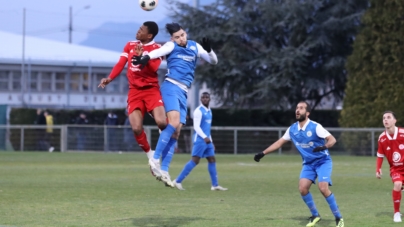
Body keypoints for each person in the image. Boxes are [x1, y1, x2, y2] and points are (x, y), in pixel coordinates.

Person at [132, 22, 218, 187]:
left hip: (184, 92)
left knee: (176, 132)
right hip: (171, 87)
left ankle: (164, 170)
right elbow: (159, 51)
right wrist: (146, 57)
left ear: (186, 33)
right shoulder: (172, 46)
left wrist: (209, 50)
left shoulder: (195, 46)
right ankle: (155, 159)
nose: (181, 39)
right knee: (174, 122)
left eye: (182, 35)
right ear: (173, 38)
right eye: (177, 37)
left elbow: (213, 61)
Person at [253, 101, 344, 227]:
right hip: (308, 164)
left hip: (323, 162)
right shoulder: (292, 129)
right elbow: (279, 143)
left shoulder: (315, 127)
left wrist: (325, 146)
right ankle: (315, 215)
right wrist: (263, 153)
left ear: (307, 113)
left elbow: (332, 139)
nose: (297, 110)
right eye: (297, 108)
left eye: (301, 108)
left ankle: (338, 218)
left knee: (323, 188)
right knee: (302, 189)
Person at [98, 21, 167, 161]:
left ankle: (164, 139)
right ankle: (150, 155)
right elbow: (120, 64)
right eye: (139, 28)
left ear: (149, 35)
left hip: (151, 90)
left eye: (141, 30)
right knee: (136, 128)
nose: (138, 31)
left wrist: (144, 59)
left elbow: (153, 68)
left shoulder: (157, 48)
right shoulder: (130, 45)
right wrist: (110, 78)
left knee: (162, 123)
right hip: (135, 91)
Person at [172, 92, 227, 191]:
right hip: (200, 140)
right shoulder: (198, 111)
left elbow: (207, 128)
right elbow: (196, 127)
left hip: (207, 140)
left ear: (209, 99)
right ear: (201, 99)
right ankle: (177, 181)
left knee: (212, 159)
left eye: (207, 97)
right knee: (195, 161)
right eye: (203, 97)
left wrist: (211, 141)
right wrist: (205, 138)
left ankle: (215, 185)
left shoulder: (209, 111)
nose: (205, 99)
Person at [376, 111, 404, 223]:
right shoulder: (382, 138)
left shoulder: (403, 133)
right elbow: (380, 155)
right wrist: (378, 169)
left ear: (394, 120)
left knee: (399, 186)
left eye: (388, 117)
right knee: (397, 184)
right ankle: (396, 213)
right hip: (396, 169)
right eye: (384, 118)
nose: (386, 120)